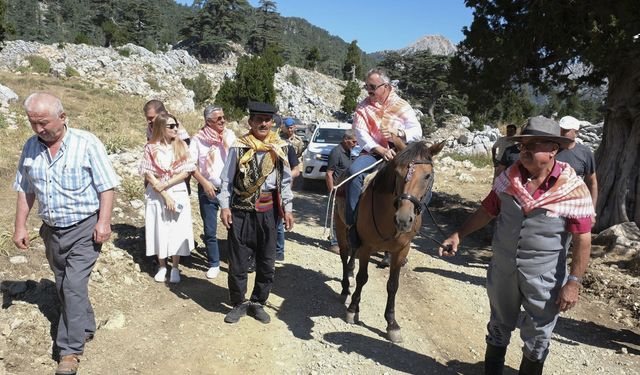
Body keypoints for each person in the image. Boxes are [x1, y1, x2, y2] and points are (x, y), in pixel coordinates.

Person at [438, 116, 594, 375]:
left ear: (553, 149)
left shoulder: (573, 189)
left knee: (537, 339)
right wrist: (459, 234)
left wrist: (574, 281)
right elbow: (487, 211)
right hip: (503, 270)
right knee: (498, 326)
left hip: (545, 277)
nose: (525, 151)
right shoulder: (508, 179)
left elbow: (582, 238)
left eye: (533, 145)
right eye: (523, 145)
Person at [13, 92, 120, 375]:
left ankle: (69, 351)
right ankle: (85, 325)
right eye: (32, 123)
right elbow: (26, 189)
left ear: (62, 117)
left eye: (43, 122)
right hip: (51, 230)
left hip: (85, 227)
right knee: (64, 285)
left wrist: (104, 222)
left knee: (71, 286)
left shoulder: (86, 144)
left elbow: (106, 186)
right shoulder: (30, 147)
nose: (38, 129)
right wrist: (20, 226)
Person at [219, 101, 294, 324]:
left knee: (266, 262)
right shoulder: (238, 147)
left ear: (272, 123)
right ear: (250, 122)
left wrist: (288, 209)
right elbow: (226, 180)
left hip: (269, 213)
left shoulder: (281, 148)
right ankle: (238, 303)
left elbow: (286, 182)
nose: (263, 123)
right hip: (241, 212)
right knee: (239, 262)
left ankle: (258, 302)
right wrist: (224, 206)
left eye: (267, 120)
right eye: (258, 119)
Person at [344, 67, 422, 248]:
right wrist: (380, 149)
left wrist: (399, 132)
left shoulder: (402, 105)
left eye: (372, 86)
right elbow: (361, 133)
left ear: (386, 86)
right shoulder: (363, 106)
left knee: (424, 181)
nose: (368, 90)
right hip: (373, 153)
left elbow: (417, 131)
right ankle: (353, 226)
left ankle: (414, 225)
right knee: (354, 174)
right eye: (367, 86)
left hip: (401, 153)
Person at [139, 113, 195, 284]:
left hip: (176, 189)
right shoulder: (150, 147)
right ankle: (162, 265)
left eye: (176, 125)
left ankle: (176, 266)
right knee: (159, 227)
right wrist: (163, 192)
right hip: (157, 193)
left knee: (177, 228)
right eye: (171, 126)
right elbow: (148, 173)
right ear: (161, 128)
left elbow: (186, 171)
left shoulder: (181, 146)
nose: (175, 129)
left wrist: (167, 184)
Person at [189, 105, 236, 279]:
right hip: (208, 189)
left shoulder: (230, 136)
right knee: (210, 230)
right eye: (218, 119)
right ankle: (214, 263)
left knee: (233, 228)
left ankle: (234, 262)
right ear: (208, 121)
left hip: (229, 190)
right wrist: (204, 183)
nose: (223, 120)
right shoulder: (198, 140)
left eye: (223, 117)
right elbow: (191, 165)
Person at [326, 130, 357, 253]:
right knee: (335, 216)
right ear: (346, 140)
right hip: (337, 190)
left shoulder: (349, 151)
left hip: (345, 190)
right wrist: (332, 191)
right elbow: (329, 173)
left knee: (343, 216)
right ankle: (334, 242)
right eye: (353, 141)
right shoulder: (336, 152)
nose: (355, 144)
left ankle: (342, 240)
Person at [556, 116, 598, 209]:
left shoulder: (585, 153)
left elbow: (592, 182)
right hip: (551, 204)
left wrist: (592, 209)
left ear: (576, 132)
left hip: (575, 205)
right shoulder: (550, 149)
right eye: (560, 129)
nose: (561, 133)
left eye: (565, 130)